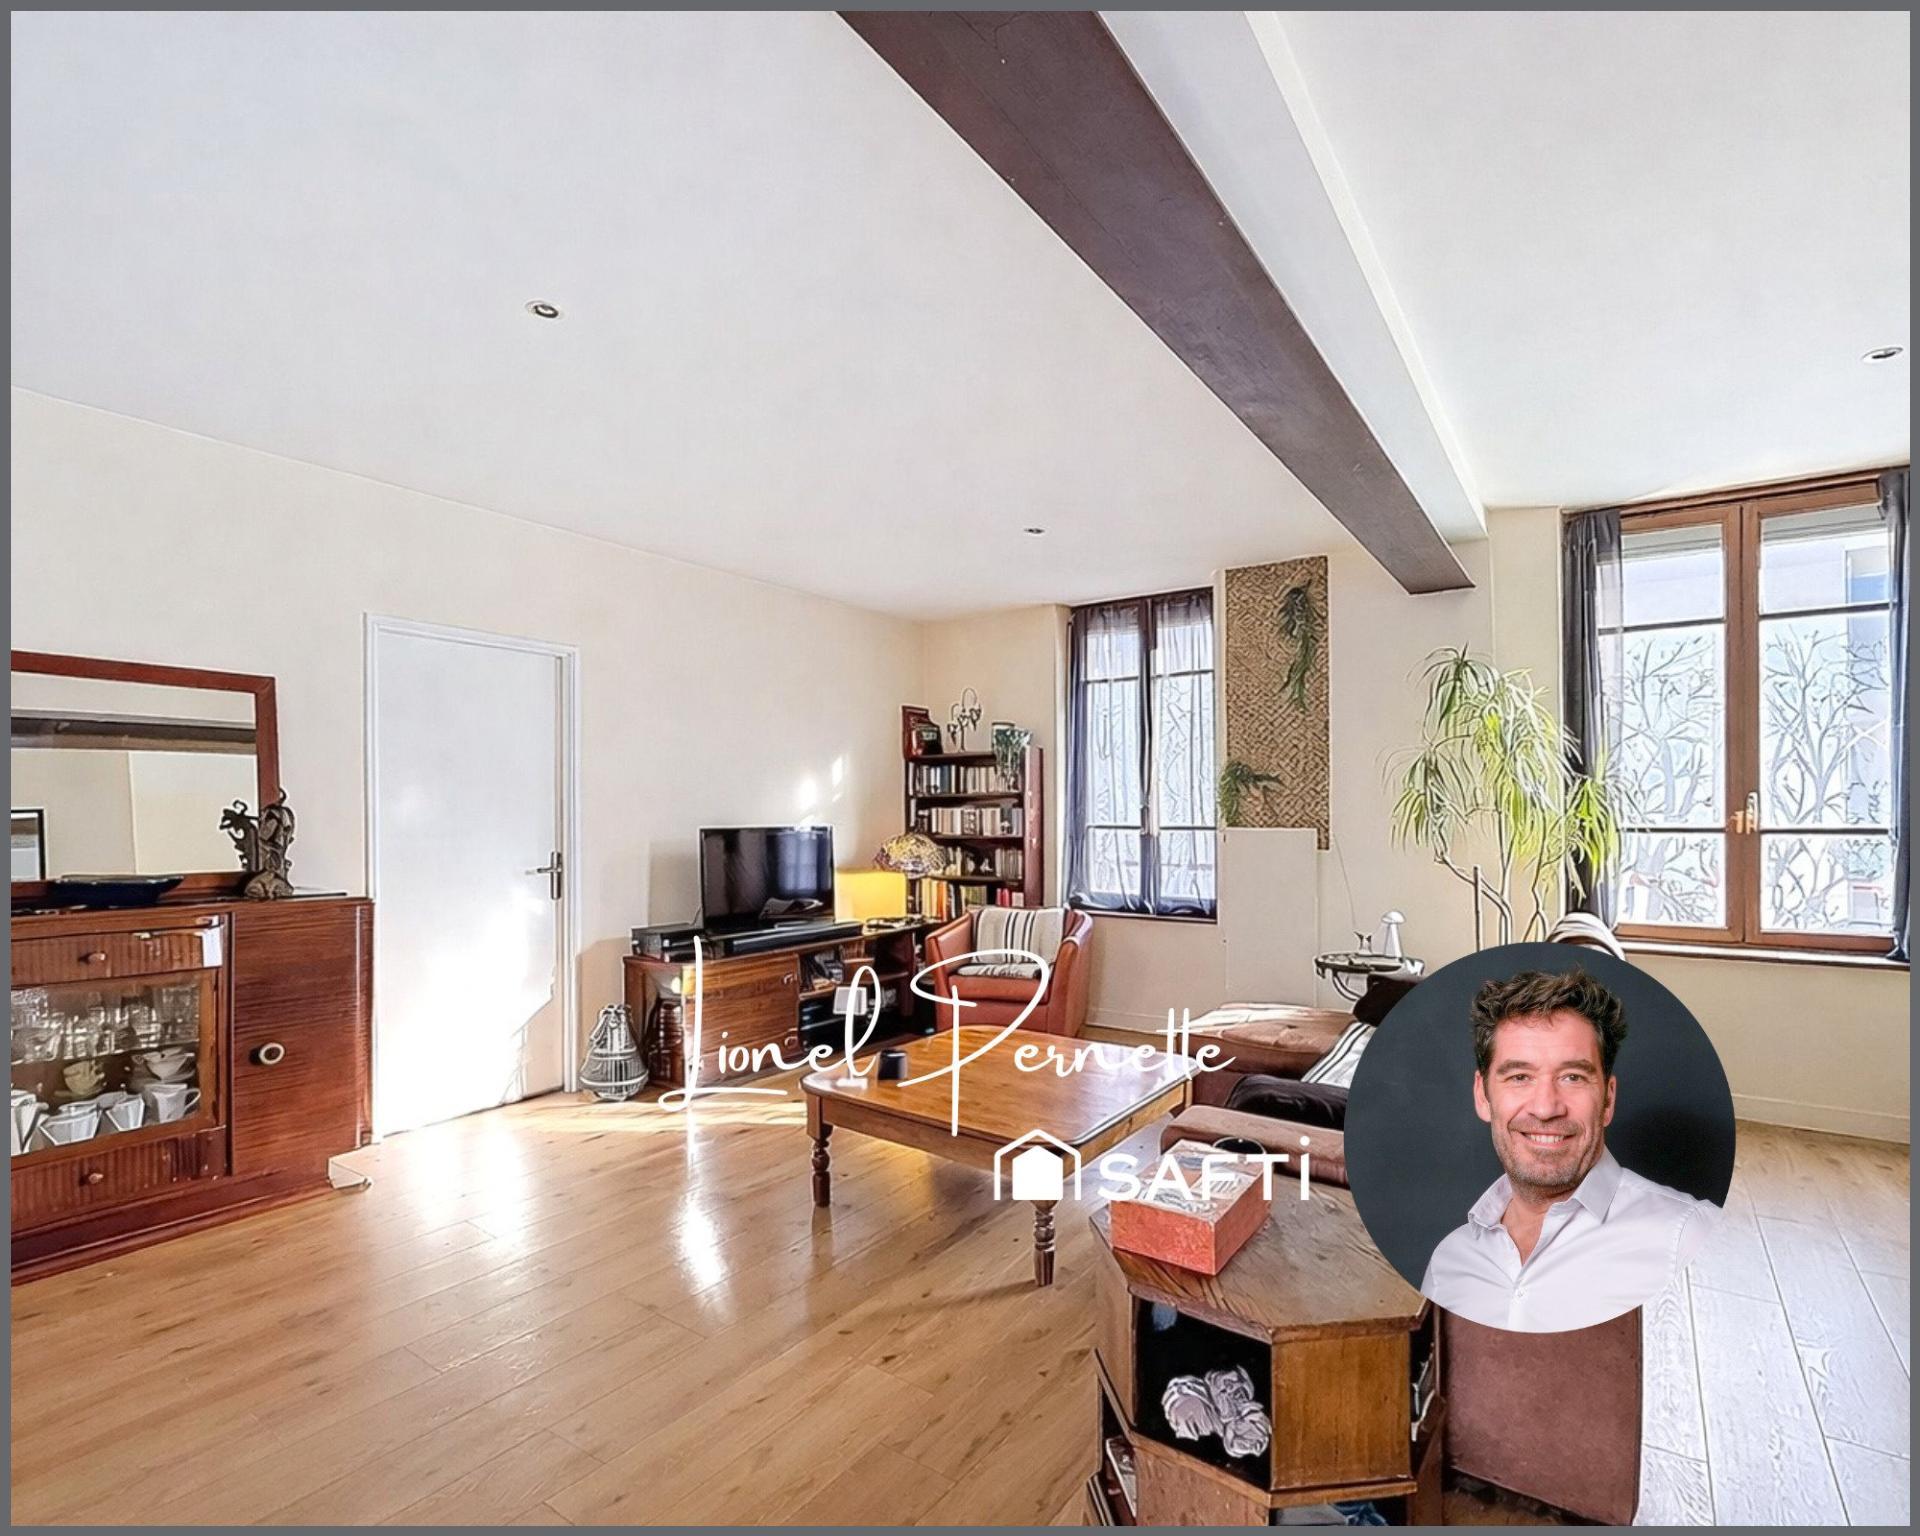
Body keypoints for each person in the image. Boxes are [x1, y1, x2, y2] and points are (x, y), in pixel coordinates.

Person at [1421, 967, 1719, 1332]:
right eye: (1520, 1077)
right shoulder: (1449, 1263)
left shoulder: (1687, 1237)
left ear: (1608, 1099)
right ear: (1483, 1096)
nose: (1546, 1108)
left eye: (1572, 1077)